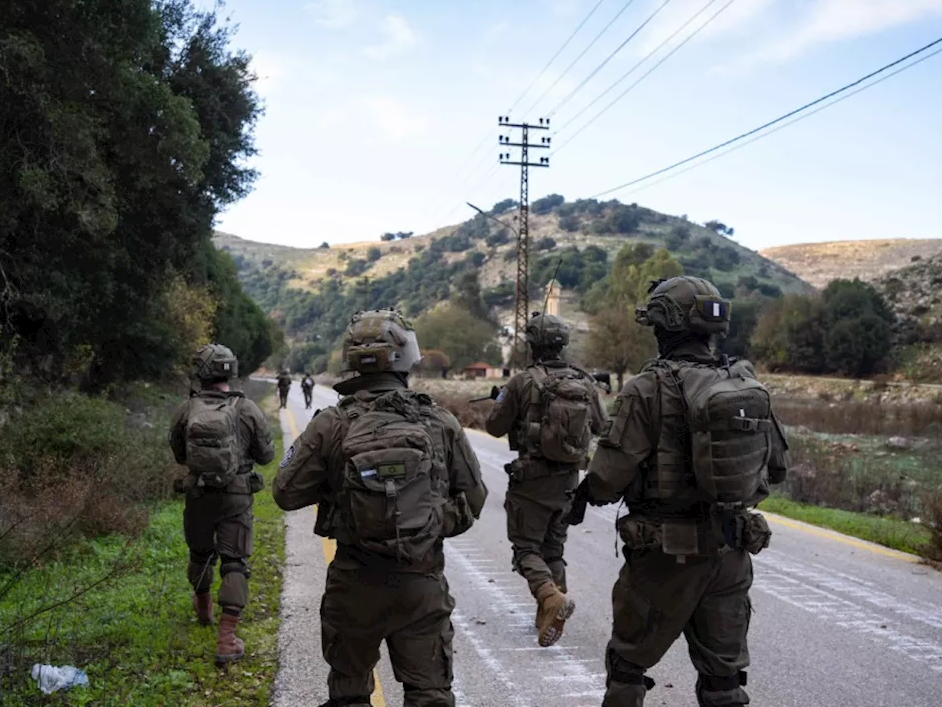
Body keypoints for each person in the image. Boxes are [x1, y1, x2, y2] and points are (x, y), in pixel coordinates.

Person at [566, 276, 790, 707]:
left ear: (662, 326)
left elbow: (606, 480)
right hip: (731, 554)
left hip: (664, 560)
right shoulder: (743, 384)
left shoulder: (647, 388)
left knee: (628, 669)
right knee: (724, 682)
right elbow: (776, 468)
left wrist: (584, 493)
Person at [274, 309, 488, 707]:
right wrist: (430, 522)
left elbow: (285, 493)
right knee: (430, 695)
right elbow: (476, 499)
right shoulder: (439, 421)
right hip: (421, 584)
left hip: (354, 582)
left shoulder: (330, 425)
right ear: (407, 355)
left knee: (350, 693)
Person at [485, 312, 604, 647]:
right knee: (553, 548)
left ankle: (550, 598)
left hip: (531, 481)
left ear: (532, 344)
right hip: (568, 479)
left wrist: (502, 399)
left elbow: (494, 427)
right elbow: (602, 427)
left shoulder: (522, 382)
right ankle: (549, 610)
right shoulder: (585, 383)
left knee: (526, 548)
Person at [169, 344, 275, 666]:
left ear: (200, 373)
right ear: (232, 371)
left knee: (200, 553)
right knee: (234, 562)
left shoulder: (186, 410)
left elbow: (179, 454)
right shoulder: (247, 409)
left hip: (198, 494)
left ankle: (203, 609)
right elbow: (267, 455)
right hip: (237, 496)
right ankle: (227, 640)